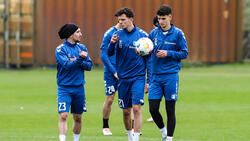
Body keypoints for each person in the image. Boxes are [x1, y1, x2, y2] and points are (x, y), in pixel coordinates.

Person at [108, 7, 151, 141]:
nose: (120, 22)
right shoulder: (118, 34)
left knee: (137, 108)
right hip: (123, 78)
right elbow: (109, 53)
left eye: (123, 20)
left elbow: (149, 60)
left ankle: (136, 138)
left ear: (131, 19)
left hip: (138, 77)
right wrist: (112, 43)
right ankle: (130, 136)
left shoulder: (143, 36)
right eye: (119, 20)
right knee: (126, 112)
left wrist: (148, 80)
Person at [148, 5, 188, 141]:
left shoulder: (178, 34)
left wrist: (168, 53)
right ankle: (163, 131)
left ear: (170, 17)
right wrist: (141, 51)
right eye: (159, 18)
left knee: (170, 109)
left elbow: (184, 53)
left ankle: (169, 138)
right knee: (153, 109)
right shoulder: (153, 34)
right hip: (155, 77)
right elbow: (147, 50)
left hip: (170, 76)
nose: (161, 21)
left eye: (163, 18)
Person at [55, 23, 93, 141]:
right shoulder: (60, 49)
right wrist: (80, 59)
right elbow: (67, 65)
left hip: (79, 88)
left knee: (78, 117)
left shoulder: (82, 48)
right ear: (70, 34)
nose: (80, 34)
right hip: (64, 88)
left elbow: (89, 66)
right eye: (78, 32)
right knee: (64, 115)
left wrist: (78, 61)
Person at [100, 23, 121, 135]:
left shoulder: (130, 33)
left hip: (124, 71)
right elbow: (103, 55)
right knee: (110, 99)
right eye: (121, 20)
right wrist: (114, 72)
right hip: (110, 72)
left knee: (131, 99)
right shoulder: (109, 33)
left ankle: (132, 127)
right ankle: (105, 126)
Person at [146, 16, 159, 123]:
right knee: (152, 92)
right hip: (152, 67)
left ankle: (155, 114)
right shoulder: (152, 34)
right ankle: (154, 114)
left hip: (159, 70)